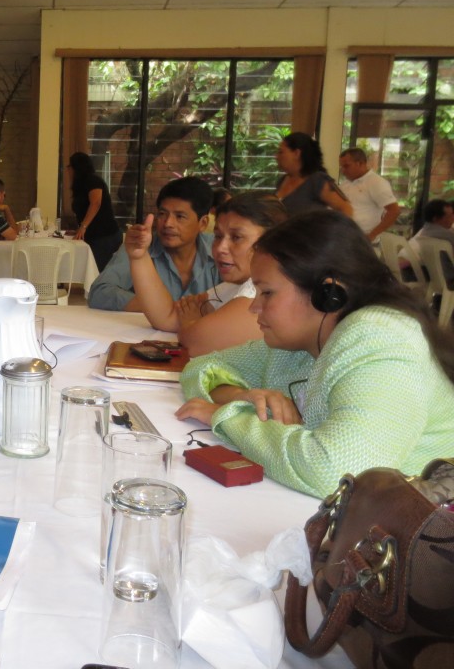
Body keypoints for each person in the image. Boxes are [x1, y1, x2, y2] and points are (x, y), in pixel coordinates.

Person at [175, 210, 454, 498]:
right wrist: (236, 395)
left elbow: (339, 473)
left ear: (327, 293)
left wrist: (227, 418)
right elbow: (203, 366)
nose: (253, 307)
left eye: (267, 293)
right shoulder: (299, 343)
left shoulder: (384, 339)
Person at [130, 193, 287, 355]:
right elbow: (168, 317)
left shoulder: (260, 294)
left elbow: (196, 342)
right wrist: (139, 257)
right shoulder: (233, 287)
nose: (220, 248)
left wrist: (191, 322)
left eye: (236, 237)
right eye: (218, 236)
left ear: (272, 241)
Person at [88, 176, 218, 312]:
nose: (168, 223)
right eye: (162, 214)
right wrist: (161, 309)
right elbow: (99, 293)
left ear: (203, 223)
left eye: (180, 216)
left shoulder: (218, 250)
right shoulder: (140, 246)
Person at [273, 132, 352, 217]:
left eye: (281, 152)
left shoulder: (317, 180)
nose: (276, 156)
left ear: (296, 153)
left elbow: (346, 208)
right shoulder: (282, 180)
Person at [68, 151, 121, 270]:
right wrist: (79, 229)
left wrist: (83, 226)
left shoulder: (93, 181)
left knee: (98, 272)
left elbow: (96, 203)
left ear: (77, 168)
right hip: (95, 236)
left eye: (70, 167)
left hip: (105, 236)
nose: (68, 171)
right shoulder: (81, 185)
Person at [338, 146, 400, 241]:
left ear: (360, 163)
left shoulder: (376, 183)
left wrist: (371, 235)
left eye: (346, 166)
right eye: (341, 167)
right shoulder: (344, 185)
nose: (343, 171)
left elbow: (394, 211)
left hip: (364, 242)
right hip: (345, 239)